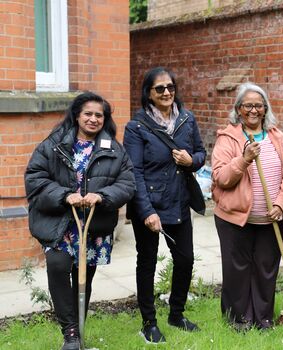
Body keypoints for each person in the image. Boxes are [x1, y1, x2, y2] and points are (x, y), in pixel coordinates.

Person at [24, 92, 135, 350]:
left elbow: (128, 183)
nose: (93, 119)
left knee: (84, 279)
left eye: (99, 115)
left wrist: (103, 195)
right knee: (58, 267)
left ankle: (78, 334)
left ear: (104, 119)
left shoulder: (114, 150)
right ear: (77, 115)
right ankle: (70, 333)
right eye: (88, 113)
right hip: (61, 223)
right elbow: (35, 178)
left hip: (93, 227)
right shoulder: (54, 144)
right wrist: (65, 196)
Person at [123, 67, 206, 344]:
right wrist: (146, 211)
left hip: (179, 201)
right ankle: (149, 322)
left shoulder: (187, 119)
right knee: (146, 262)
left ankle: (176, 313)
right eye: (160, 88)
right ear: (148, 93)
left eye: (170, 87)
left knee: (185, 259)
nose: (167, 92)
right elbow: (134, 172)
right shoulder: (136, 127)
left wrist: (190, 161)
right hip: (149, 204)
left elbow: (200, 153)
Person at [211, 82, 283, 331]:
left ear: (265, 109)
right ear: (238, 109)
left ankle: (263, 318)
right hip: (234, 218)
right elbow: (221, 178)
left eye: (259, 105)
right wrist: (244, 159)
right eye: (248, 105)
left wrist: (281, 203)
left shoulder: (277, 137)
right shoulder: (228, 138)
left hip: (270, 219)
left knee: (265, 269)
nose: (253, 110)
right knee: (237, 270)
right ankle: (239, 319)